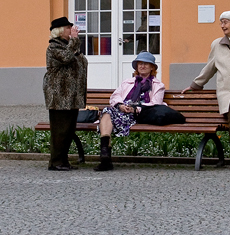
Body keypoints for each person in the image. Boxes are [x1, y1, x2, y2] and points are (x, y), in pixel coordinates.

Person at [182, 10, 230, 171]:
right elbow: (210, 67)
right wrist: (196, 84)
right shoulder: (217, 44)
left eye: (225, 22)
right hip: (227, 93)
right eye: (221, 22)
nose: (222, 25)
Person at [94, 51, 165, 171]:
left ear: (152, 67)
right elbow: (115, 96)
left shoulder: (158, 85)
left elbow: (156, 103)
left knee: (108, 114)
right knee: (108, 111)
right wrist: (121, 105)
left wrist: (135, 108)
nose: (142, 66)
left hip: (141, 113)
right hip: (122, 110)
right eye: (140, 63)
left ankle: (105, 156)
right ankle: (105, 154)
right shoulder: (128, 82)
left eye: (146, 64)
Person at [43, 16, 88, 171]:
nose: (72, 30)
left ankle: (63, 160)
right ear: (61, 31)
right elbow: (66, 58)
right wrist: (75, 41)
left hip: (71, 95)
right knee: (60, 130)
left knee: (68, 129)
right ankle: (55, 162)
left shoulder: (67, 45)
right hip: (59, 95)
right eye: (69, 28)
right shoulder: (54, 47)